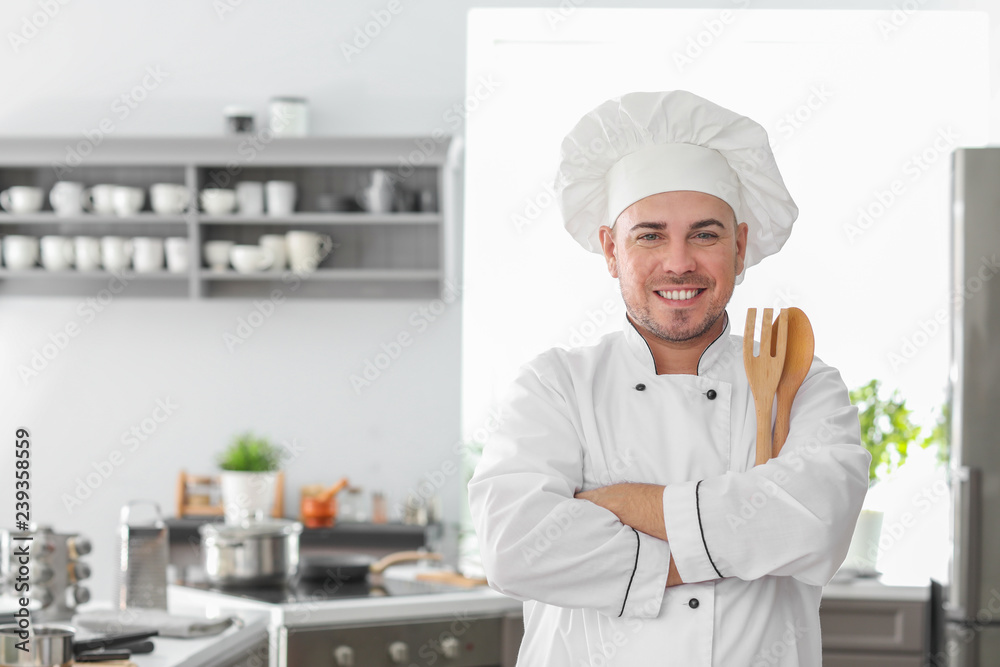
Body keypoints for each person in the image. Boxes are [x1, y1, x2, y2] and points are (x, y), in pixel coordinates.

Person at [467, 90, 870, 666]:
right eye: (650, 235)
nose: (679, 262)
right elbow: (514, 549)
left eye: (705, 234)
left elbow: (817, 525)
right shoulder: (556, 385)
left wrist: (617, 503)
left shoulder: (800, 380)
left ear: (739, 245)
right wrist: (747, 540)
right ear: (611, 249)